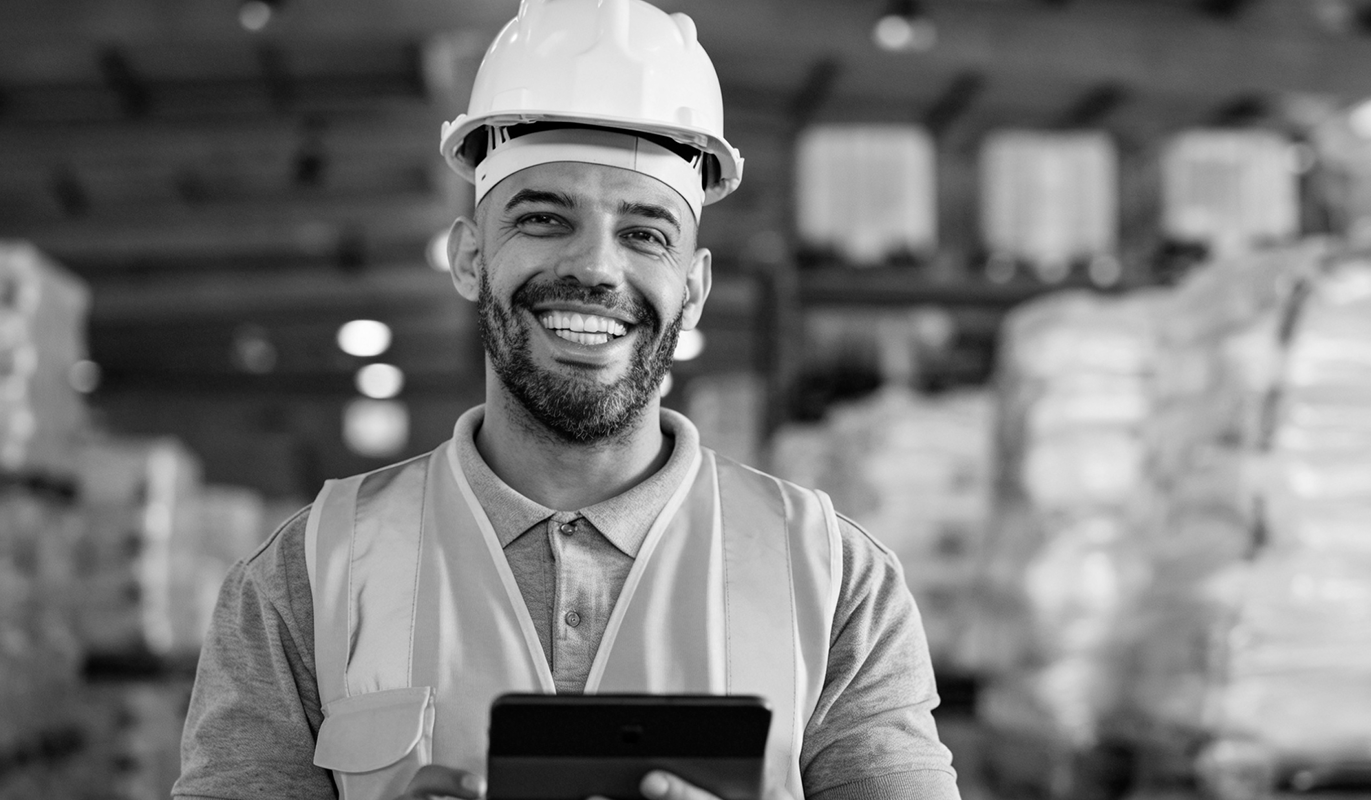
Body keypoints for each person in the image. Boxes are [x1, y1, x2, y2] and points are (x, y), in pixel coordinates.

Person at [173, 1, 960, 799]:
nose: (595, 268)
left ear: (693, 289)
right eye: (545, 219)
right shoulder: (305, 577)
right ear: (471, 258)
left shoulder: (835, 579)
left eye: (646, 232)